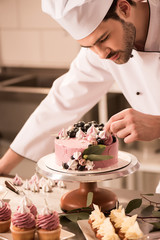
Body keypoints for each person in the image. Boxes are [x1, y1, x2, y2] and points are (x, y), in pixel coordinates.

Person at [0, 0, 159, 174]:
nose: (101, 54)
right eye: (88, 46)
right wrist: (3, 167)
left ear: (124, 8)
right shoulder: (101, 51)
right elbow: (61, 103)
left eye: (103, 38)